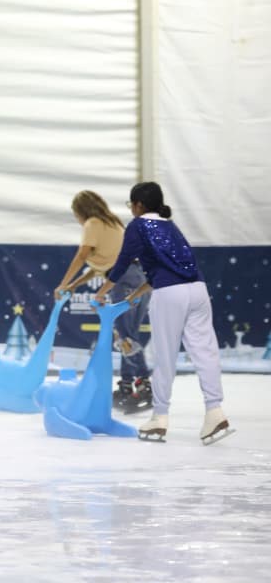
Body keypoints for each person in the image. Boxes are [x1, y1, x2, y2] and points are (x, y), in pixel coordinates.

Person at [94, 181, 232, 445]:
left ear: (137, 205)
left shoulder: (138, 225)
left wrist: (102, 291)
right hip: (198, 290)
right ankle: (215, 411)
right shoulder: (171, 226)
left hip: (170, 294)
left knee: (165, 355)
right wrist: (135, 296)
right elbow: (166, 267)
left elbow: (122, 263)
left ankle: (159, 417)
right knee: (205, 351)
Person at [54, 191, 152, 412]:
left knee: (125, 338)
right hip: (139, 278)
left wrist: (63, 284)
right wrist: (73, 285)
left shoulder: (92, 223)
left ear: (81, 210)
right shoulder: (112, 222)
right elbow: (100, 267)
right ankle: (128, 385)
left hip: (124, 280)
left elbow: (82, 257)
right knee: (129, 336)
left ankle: (144, 385)